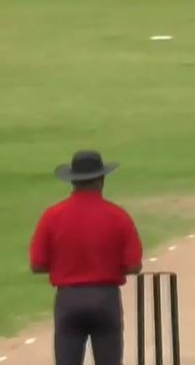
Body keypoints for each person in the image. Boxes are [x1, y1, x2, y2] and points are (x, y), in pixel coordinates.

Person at [29, 150, 143, 365]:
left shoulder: (52, 216)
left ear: (72, 181)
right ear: (101, 180)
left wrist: (65, 265)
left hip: (69, 299)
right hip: (105, 298)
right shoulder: (118, 216)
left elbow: (37, 265)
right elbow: (134, 266)